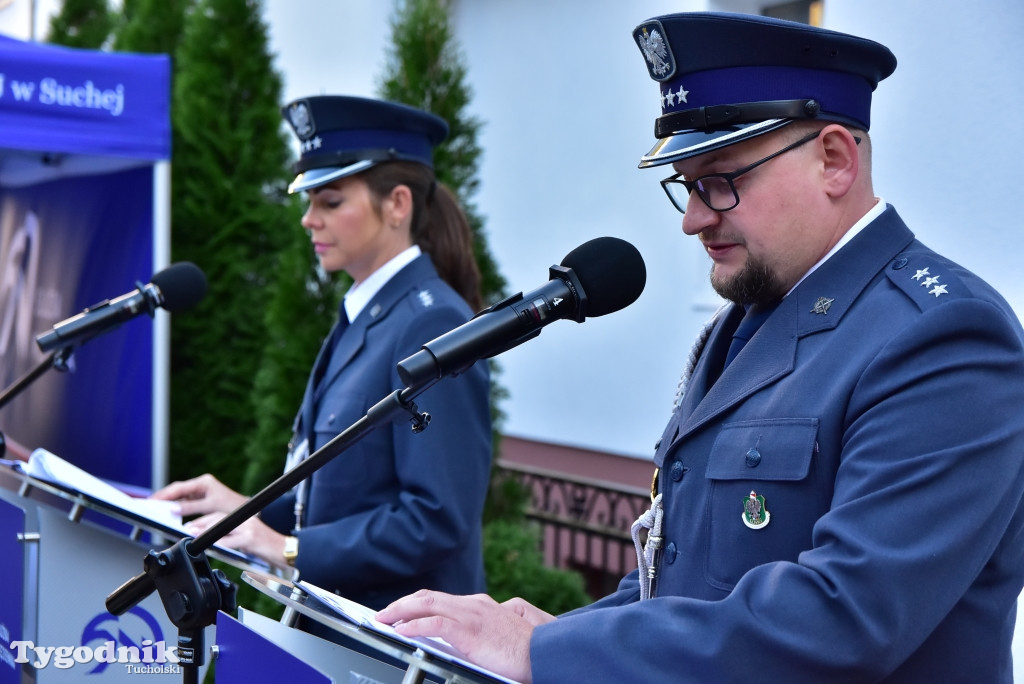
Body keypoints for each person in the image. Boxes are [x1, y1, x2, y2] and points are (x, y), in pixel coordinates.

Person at [375, 12, 1024, 683]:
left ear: (834, 159)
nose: (693, 219)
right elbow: (679, 582)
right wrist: (549, 635)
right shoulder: (742, 324)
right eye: (687, 185)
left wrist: (547, 653)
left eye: (720, 180)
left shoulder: (943, 336)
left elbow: (844, 617)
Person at [152, 95, 493, 612]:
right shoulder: (370, 311)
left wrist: (288, 548)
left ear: (397, 204)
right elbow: (341, 491)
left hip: (396, 644)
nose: (309, 219)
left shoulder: (430, 320)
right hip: (341, 630)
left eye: (330, 202)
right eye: (308, 201)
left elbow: (436, 517)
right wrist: (248, 513)